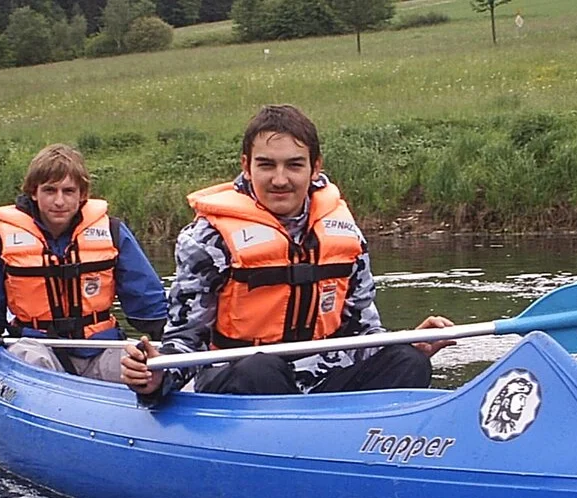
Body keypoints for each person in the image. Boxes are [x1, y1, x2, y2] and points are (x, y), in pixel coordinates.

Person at [121, 104, 455, 401]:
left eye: (294, 165)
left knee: (408, 361)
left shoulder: (344, 231)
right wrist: (159, 374)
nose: (280, 180)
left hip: (322, 376)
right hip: (239, 376)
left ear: (315, 167)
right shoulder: (205, 238)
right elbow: (186, 336)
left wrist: (408, 342)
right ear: (247, 166)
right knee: (261, 368)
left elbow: (363, 331)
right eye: (267, 165)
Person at [0, 143, 168, 382]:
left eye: (68, 191)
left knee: (142, 371)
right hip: (35, 347)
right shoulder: (2, 240)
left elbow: (148, 302)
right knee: (30, 360)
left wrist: (176, 339)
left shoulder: (111, 232)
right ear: (33, 192)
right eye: (50, 190)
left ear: (82, 195)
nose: (59, 201)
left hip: (102, 347)